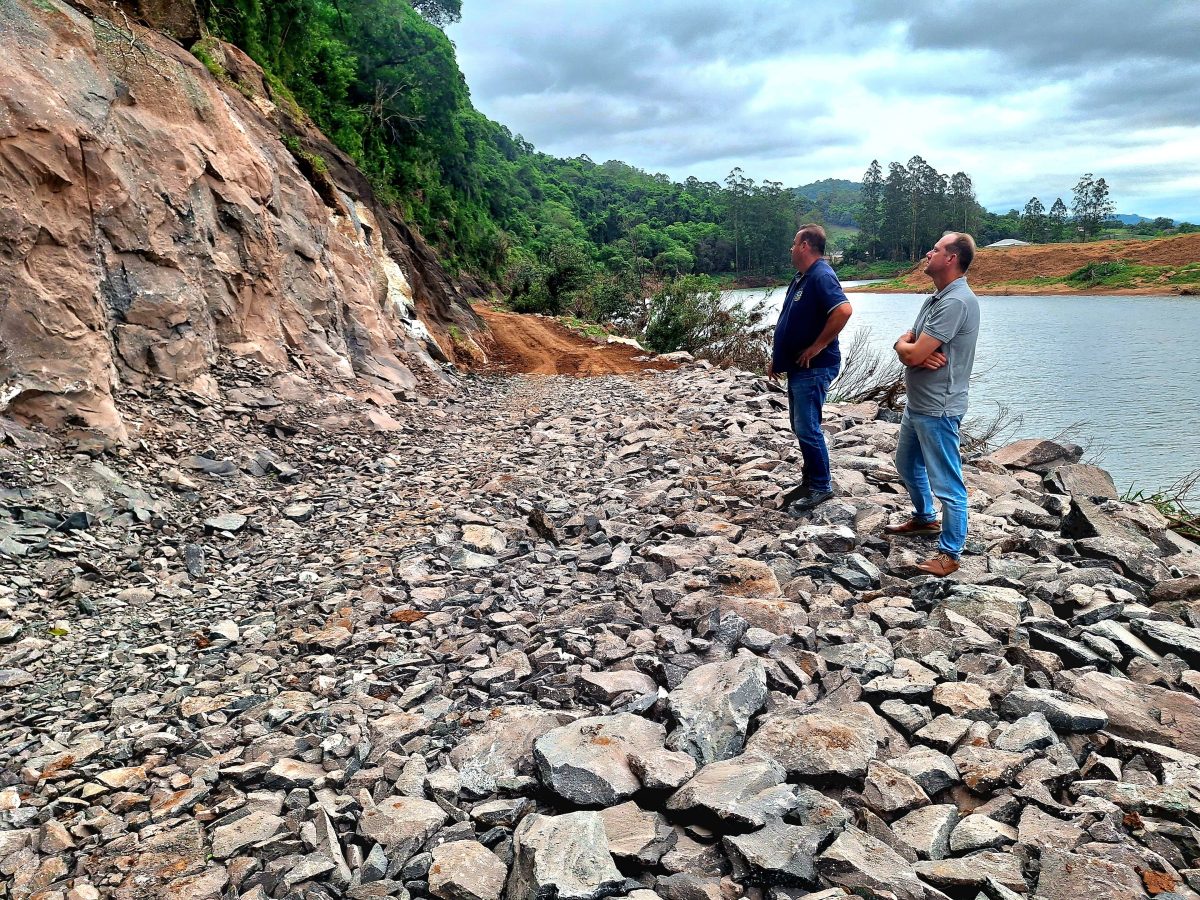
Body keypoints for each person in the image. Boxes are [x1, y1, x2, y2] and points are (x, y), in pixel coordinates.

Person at [885, 231, 981, 576]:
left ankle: (950, 553)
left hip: (939, 407)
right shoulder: (935, 299)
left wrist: (913, 353)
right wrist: (907, 351)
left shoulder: (956, 302)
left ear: (951, 258)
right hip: (918, 404)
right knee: (907, 465)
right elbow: (908, 346)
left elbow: (914, 350)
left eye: (936, 249)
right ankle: (925, 519)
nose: (928, 253)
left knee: (948, 483)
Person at [768, 224, 853, 511]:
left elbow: (843, 310)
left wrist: (818, 346)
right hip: (799, 367)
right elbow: (791, 321)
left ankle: (821, 486)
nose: (791, 248)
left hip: (815, 367)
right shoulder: (803, 277)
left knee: (808, 426)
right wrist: (778, 357)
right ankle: (810, 480)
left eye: (794, 243)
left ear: (805, 245)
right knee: (800, 425)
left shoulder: (821, 275)